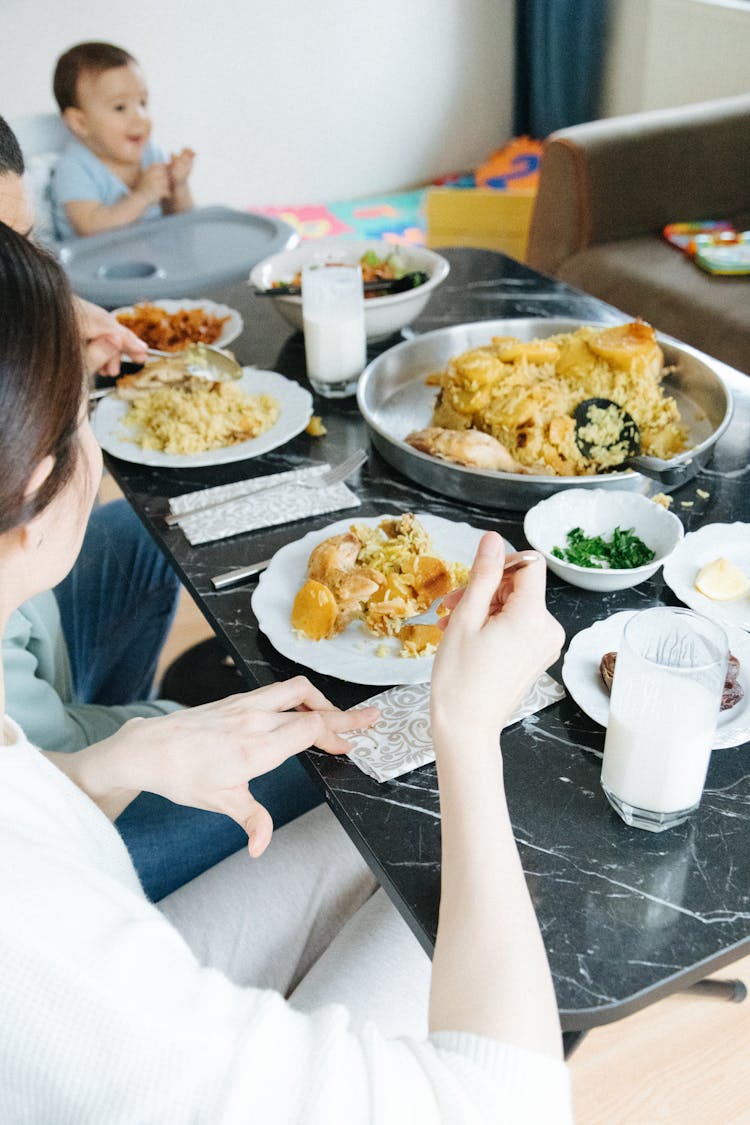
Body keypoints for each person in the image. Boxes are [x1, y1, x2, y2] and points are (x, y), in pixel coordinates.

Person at [0, 222, 572, 1122]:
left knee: (390, 846)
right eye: (84, 415)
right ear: (37, 496)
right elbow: (511, 1105)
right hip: (89, 1011)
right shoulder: (41, 951)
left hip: (92, 955)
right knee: (485, 857)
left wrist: (100, 769)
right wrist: (464, 729)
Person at [1, 116, 323, 898]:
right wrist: (159, 734)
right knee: (318, 770)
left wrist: (41, 324)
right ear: (33, 493)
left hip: (44, 726)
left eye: (24, 246)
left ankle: (103, 708)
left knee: (145, 535)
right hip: (61, 835)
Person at [50, 41, 194, 240]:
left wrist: (179, 186)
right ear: (80, 122)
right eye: (120, 107)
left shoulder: (150, 153)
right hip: (94, 266)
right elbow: (88, 227)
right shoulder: (74, 167)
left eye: (143, 103)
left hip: (155, 259)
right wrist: (142, 196)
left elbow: (183, 220)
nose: (140, 117)